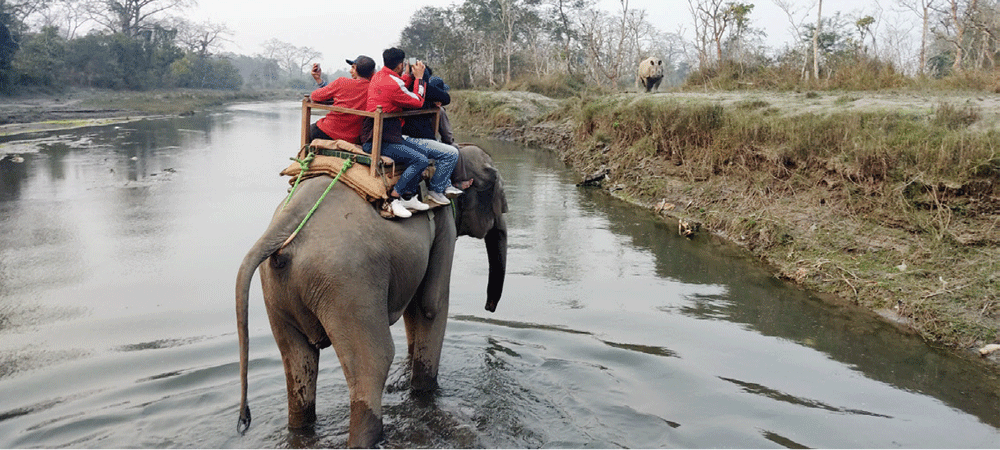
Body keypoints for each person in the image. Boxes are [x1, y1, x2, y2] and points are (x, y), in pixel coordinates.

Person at [360, 47, 458, 219]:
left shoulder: (379, 77)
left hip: (386, 134)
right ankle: (394, 198)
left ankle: (410, 196)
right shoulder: (393, 83)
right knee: (420, 159)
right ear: (400, 65)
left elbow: (399, 87)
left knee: (420, 154)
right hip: (382, 139)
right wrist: (419, 78)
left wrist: (406, 75)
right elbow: (418, 101)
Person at [401, 67, 464, 197]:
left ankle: (446, 184)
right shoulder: (430, 98)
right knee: (451, 152)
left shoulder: (402, 89)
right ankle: (438, 189)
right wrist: (422, 82)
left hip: (402, 137)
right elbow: (446, 98)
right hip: (417, 140)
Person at [307, 55, 376, 144]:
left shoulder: (342, 82)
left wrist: (317, 79)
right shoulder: (374, 89)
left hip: (326, 131)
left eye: (352, 67)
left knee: (309, 129)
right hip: (353, 138)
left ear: (356, 69)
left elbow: (315, 96)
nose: (350, 71)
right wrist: (319, 80)